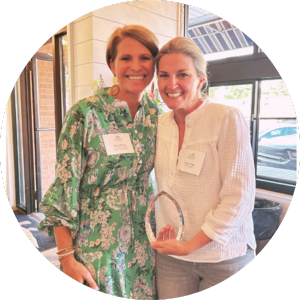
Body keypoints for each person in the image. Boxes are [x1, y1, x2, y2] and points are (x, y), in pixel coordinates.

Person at [38, 25, 159, 299]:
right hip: (98, 246)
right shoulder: (85, 114)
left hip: (144, 245)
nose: (136, 66)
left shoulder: (155, 114)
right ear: (112, 64)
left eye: (145, 57)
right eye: (126, 58)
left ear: (154, 63)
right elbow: (64, 189)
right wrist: (67, 259)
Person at [150, 37, 256, 298]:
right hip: (172, 255)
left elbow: (239, 198)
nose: (171, 84)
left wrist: (190, 246)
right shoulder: (159, 124)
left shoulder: (225, 118)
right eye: (164, 75)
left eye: (182, 74)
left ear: (200, 78)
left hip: (223, 256)